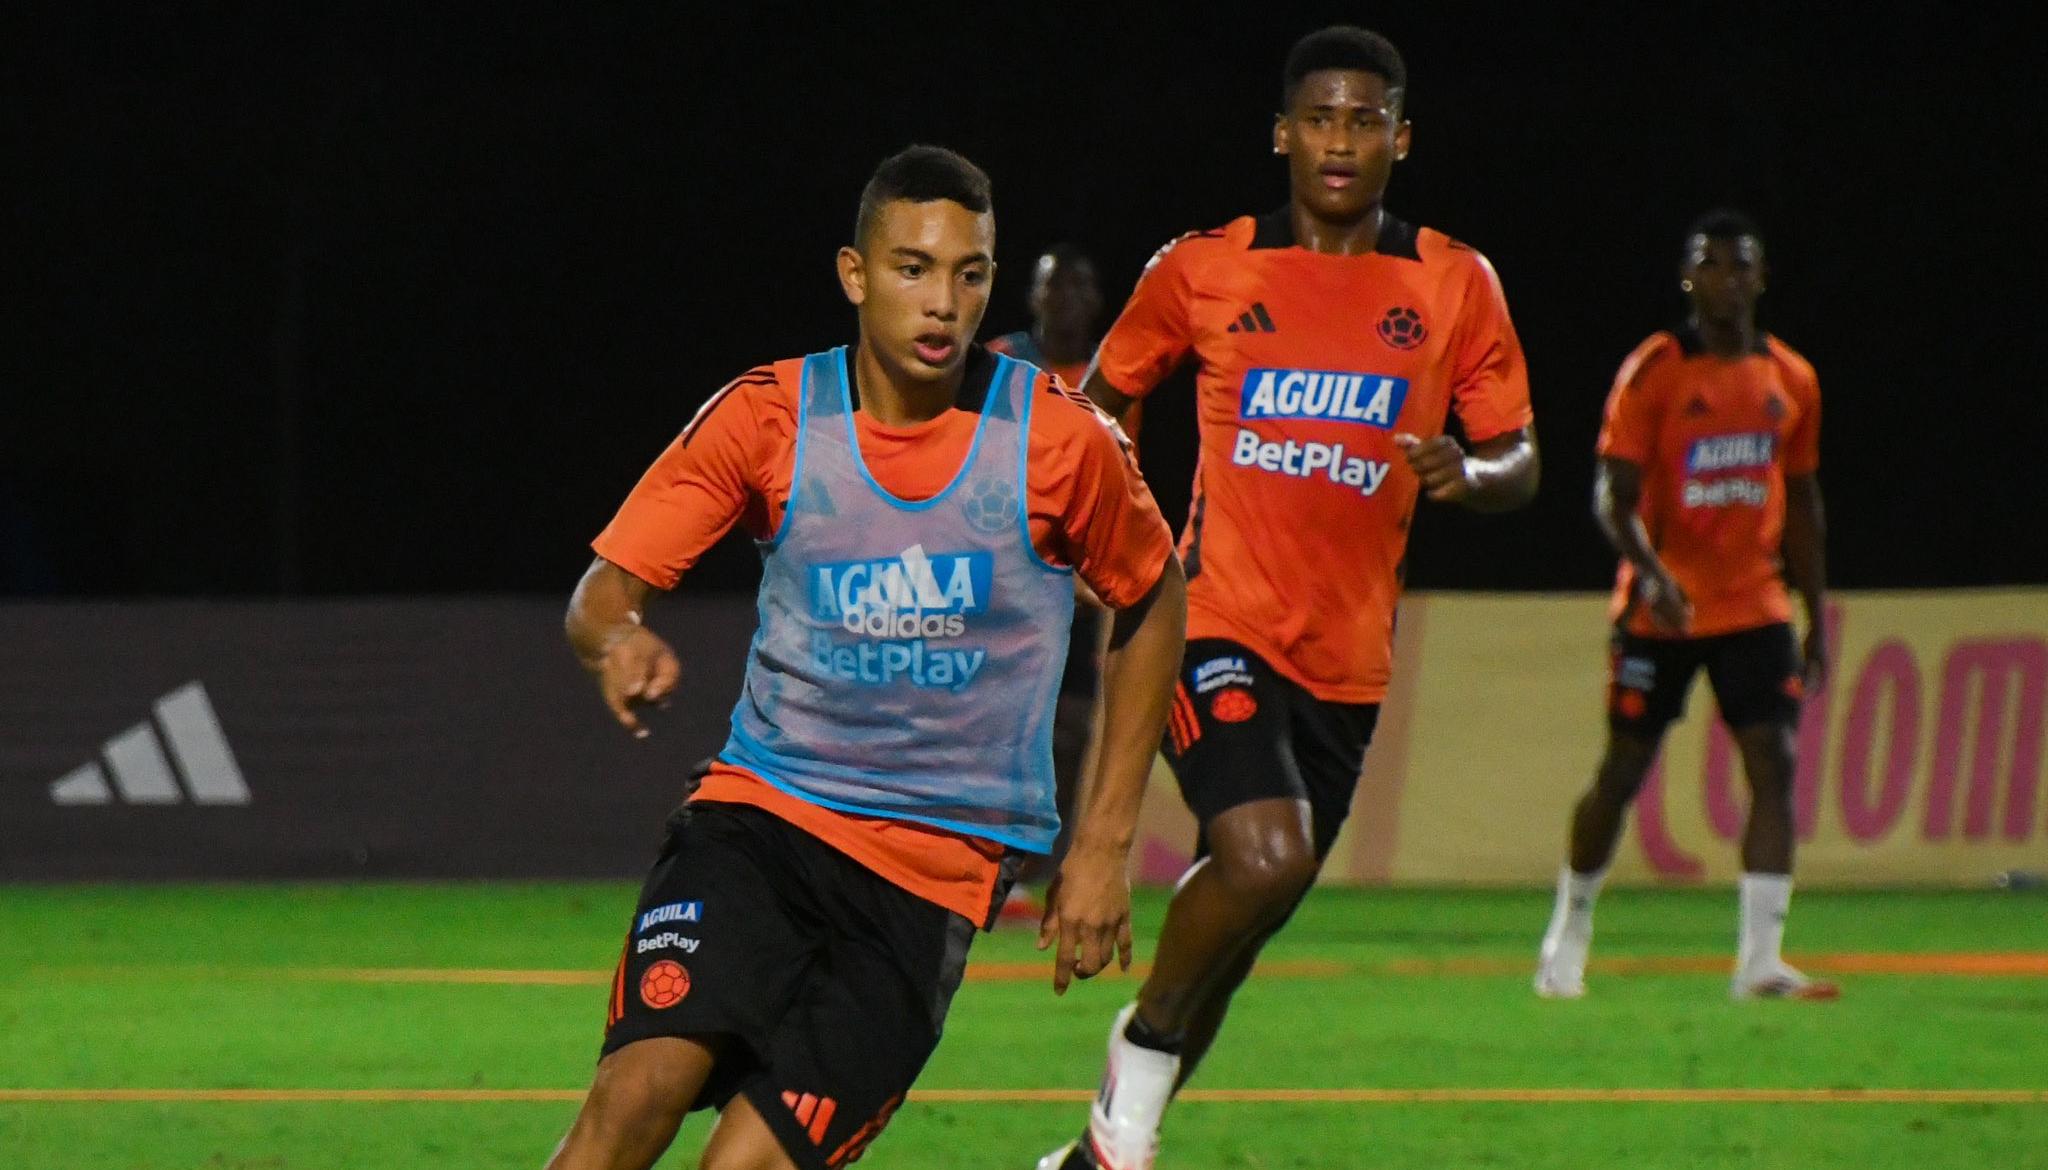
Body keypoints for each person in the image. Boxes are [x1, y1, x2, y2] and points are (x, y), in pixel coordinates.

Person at [548, 144, 1185, 1170]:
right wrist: (615, 640)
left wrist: (1103, 845)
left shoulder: (1059, 443)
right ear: (854, 275)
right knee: (632, 1100)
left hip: (926, 883)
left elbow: (1153, 600)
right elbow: (602, 593)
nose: (942, 302)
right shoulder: (769, 415)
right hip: (761, 825)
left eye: (967, 274)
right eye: (911, 268)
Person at [1042, 26, 1538, 1170]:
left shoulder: (1454, 283)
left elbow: (1519, 458)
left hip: (1349, 663)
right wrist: (1120, 533)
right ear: (1280, 132)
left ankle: (1099, 1149)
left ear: (1399, 140)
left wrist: (1472, 473)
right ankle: (1135, 1057)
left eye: (1364, 119)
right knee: (1264, 857)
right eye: (1319, 116)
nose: (1338, 139)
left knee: (1242, 924)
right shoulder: (1203, 268)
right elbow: (1106, 402)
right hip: (1211, 619)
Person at [1534, 209, 1833, 1002]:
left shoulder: (1791, 380)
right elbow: (1613, 495)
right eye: (1711, 265)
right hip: (1660, 613)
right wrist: (1653, 574)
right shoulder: (1655, 371)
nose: (1726, 280)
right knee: (1622, 772)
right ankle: (1570, 926)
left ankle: (1760, 961)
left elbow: (1801, 503)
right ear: (1688, 277)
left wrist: (1816, 617)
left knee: (1775, 764)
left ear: (1760, 279)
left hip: (1755, 607)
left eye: (1741, 266)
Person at [988, 244, 1113, 920]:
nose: (1064, 298)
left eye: (1077, 285)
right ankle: (976, 866)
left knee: (1067, 734)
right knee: (998, 728)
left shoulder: (1117, 370)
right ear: (1033, 297)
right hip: (1006, 582)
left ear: (1094, 300)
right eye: (1051, 286)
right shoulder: (1001, 361)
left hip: (1082, 587)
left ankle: (1036, 876)